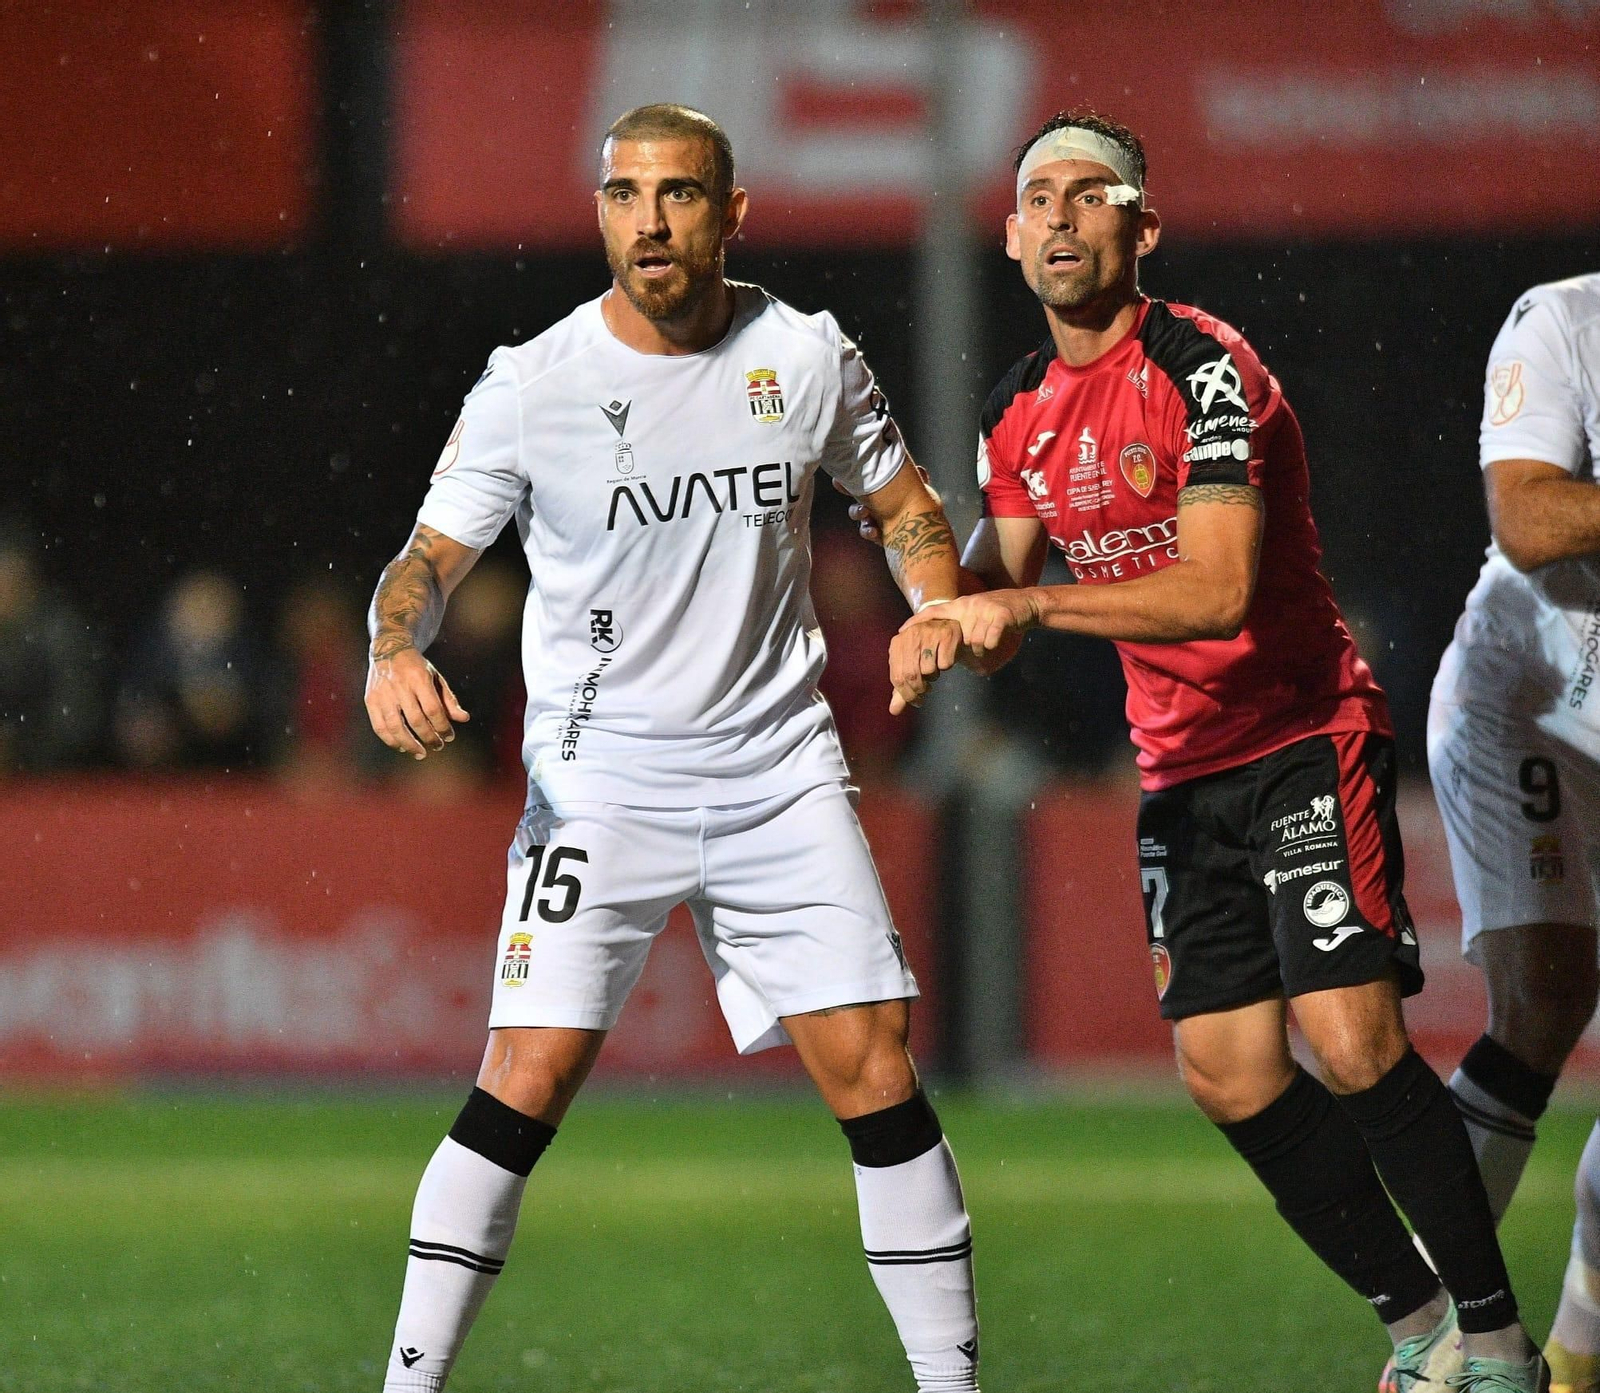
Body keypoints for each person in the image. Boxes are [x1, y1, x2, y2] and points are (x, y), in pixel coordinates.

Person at [884, 110, 1546, 1391]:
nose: (1064, 215)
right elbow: (997, 604)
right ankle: (1420, 1332)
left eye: (1093, 193)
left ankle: (1503, 1348)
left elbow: (1216, 591)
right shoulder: (1016, 407)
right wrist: (937, 609)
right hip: (1182, 772)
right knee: (1229, 1072)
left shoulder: (1206, 369)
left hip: (1302, 733)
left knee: (1352, 1043)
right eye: (1040, 197)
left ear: (1145, 225)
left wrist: (1018, 605)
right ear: (1013, 237)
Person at [363, 104, 981, 1393]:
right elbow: (424, 563)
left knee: (875, 1059)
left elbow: (903, 504)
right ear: (599, 211)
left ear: (732, 210)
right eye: (625, 194)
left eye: (680, 194)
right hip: (602, 780)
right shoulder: (534, 385)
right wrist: (391, 647)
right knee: (522, 1077)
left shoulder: (805, 356)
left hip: (777, 770)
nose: (649, 220)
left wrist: (936, 603)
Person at [1427, 272, 1600, 1393]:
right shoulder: (1566, 317)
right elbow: (1530, 517)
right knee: (1542, 1000)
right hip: (1526, 698)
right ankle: (1438, 1335)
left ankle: (1579, 1353)